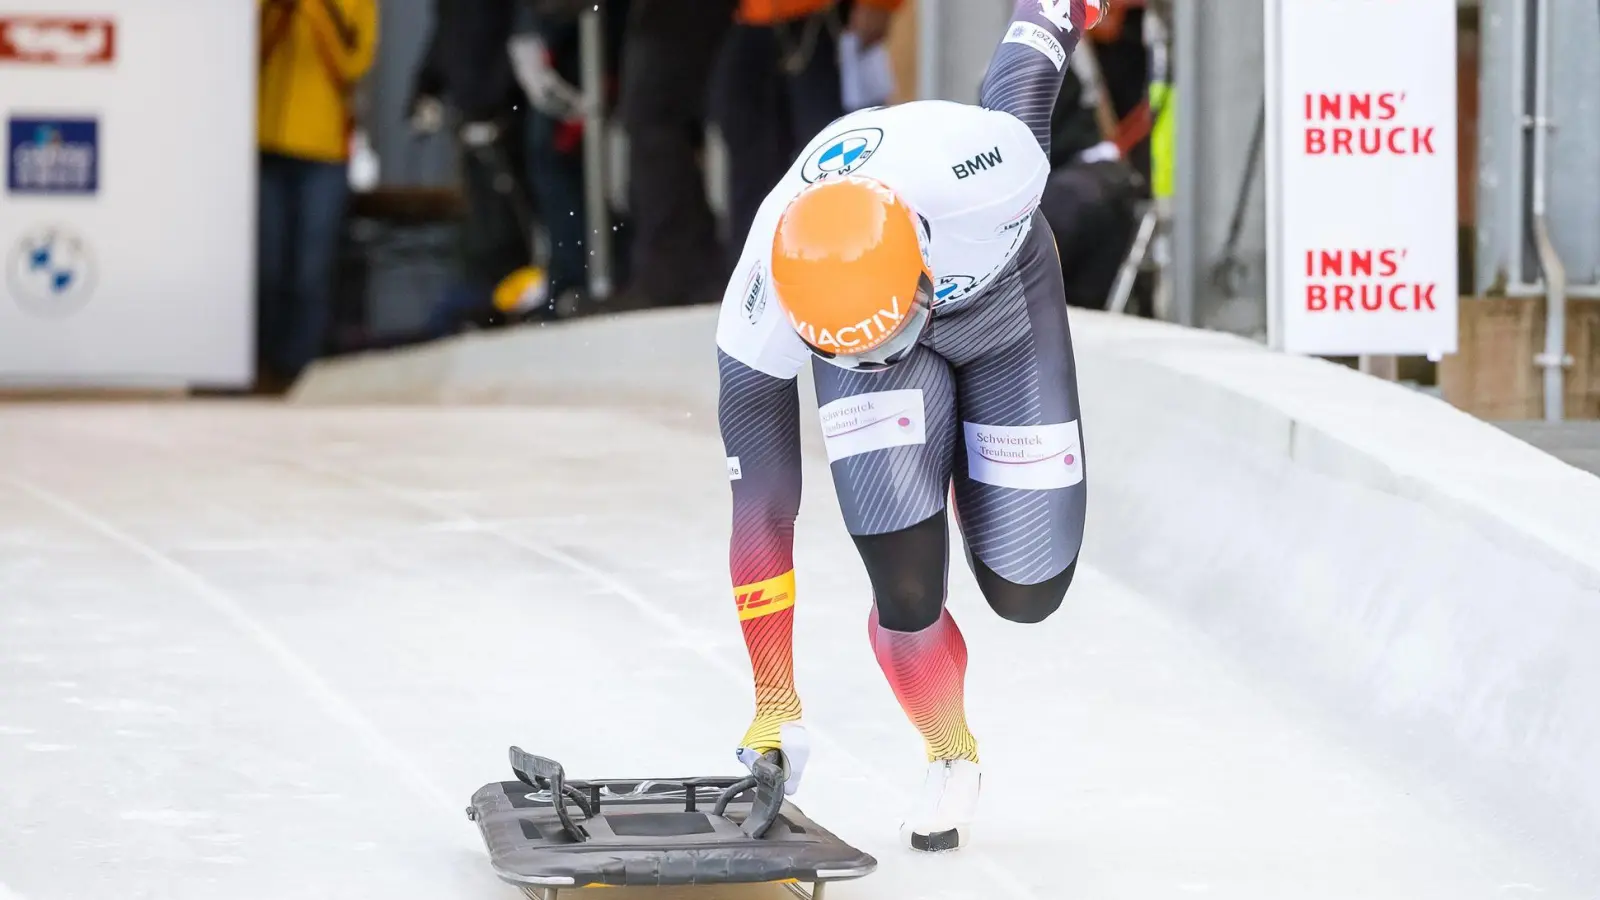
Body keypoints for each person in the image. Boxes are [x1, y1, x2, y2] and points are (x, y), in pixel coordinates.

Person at [715, 0, 1105, 853]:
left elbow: (1027, 62)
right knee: (905, 585)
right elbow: (764, 508)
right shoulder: (760, 307)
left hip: (1005, 311)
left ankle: (968, 464)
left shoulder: (995, 169)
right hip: (880, 371)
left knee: (1027, 589)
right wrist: (773, 698)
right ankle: (950, 750)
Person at [256, 0, 378, 389]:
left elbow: (354, 64)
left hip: (323, 148)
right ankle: (257, 364)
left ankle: (298, 372)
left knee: (312, 268)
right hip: (261, 140)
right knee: (266, 263)